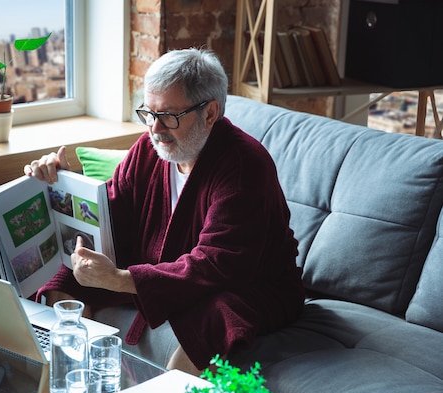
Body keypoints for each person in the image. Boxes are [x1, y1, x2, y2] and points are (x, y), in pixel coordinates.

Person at [24, 48, 304, 374]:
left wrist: (120, 279)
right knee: (64, 283)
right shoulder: (148, 149)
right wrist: (65, 187)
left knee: (213, 321)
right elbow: (113, 215)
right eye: (148, 113)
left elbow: (215, 265)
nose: (155, 129)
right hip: (164, 267)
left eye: (168, 116)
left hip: (248, 285)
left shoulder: (244, 167)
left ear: (210, 113)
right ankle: (73, 389)